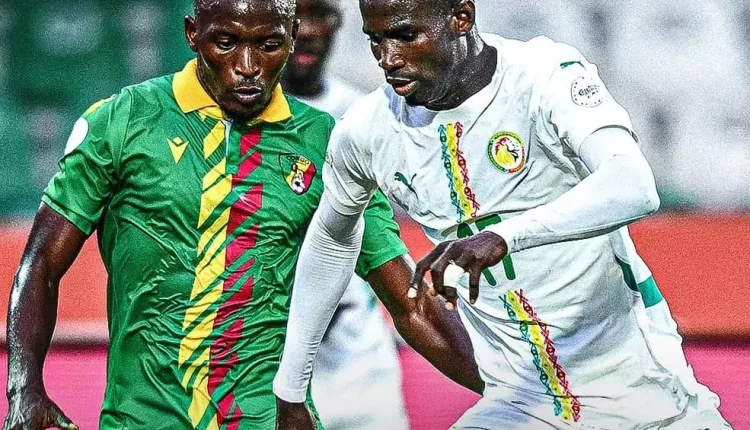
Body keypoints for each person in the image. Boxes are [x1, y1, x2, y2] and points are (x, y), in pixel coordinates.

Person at [3, 0, 482, 429]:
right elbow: (41, 263)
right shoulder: (123, 121)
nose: (247, 67)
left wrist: (506, 389)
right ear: (192, 34)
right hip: (141, 417)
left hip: (266, 418)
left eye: (268, 45)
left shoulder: (328, 145)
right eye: (226, 43)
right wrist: (24, 388)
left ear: (291, 37)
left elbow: (410, 302)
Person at [272, 0, 732, 428]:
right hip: (521, 402)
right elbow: (330, 241)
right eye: (375, 40)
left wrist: (505, 237)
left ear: (461, 17)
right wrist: (290, 391)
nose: (388, 58)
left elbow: (633, 185)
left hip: (641, 392)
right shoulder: (366, 130)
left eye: (405, 35)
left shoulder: (542, 76)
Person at [280, 1, 409, 429]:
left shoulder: (364, 114)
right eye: (296, 15)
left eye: (322, 15)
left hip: (359, 365)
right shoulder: (232, 120)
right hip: (266, 360)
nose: (308, 31)